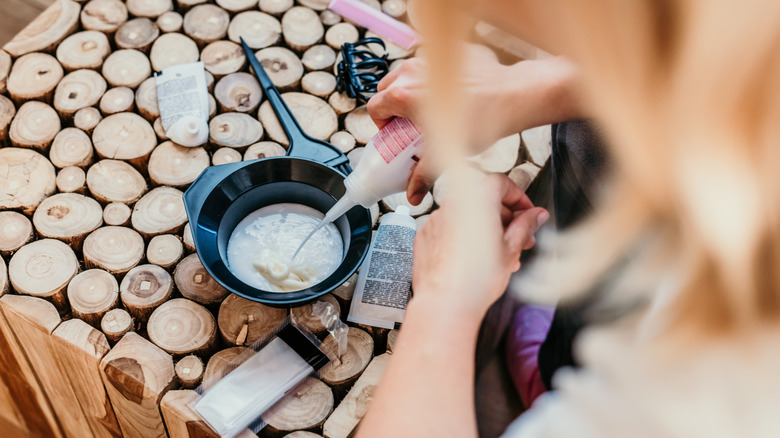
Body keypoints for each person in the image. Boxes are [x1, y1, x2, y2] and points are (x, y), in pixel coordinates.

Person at [355, 0, 780, 436]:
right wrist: (537, 88)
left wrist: (445, 298)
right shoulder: (749, 56)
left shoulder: (702, 391)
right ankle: (561, 354)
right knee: (589, 138)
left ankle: (555, 380)